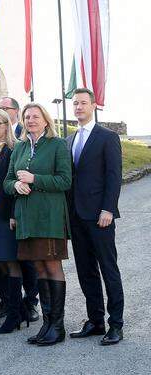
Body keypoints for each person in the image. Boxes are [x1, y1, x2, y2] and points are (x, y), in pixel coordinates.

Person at [3, 103, 72, 346]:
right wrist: (16, 186)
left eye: (35, 116)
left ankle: (58, 326)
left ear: (45, 120)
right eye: (27, 116)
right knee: (39, 269)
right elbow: (7, 180)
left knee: (52, 267)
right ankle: (47, 324)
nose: (31, 120)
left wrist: (34, 179)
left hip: (50, 217)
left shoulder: (57, 145)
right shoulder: (20, 146)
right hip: (27, 218)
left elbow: (65, 180)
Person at [67, 88, 124, 346]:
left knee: (108, 269)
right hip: (76, 217)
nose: (78, 107)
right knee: (86, 270)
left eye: (82, 103)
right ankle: (95, 320)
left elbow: (114, 176)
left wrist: (108, 209)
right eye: (75, 103)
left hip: (100, 216)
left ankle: (116, 325)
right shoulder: (69, 139)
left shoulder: (107, 137)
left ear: (93, 106)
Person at [0, 97, 39, 323]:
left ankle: (23, 308)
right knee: (1, 261)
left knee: (17, 261)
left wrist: (15, 214)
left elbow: (16, 184)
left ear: (8, 125)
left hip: (9, 215)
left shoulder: (14, 149)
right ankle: (10, 303)